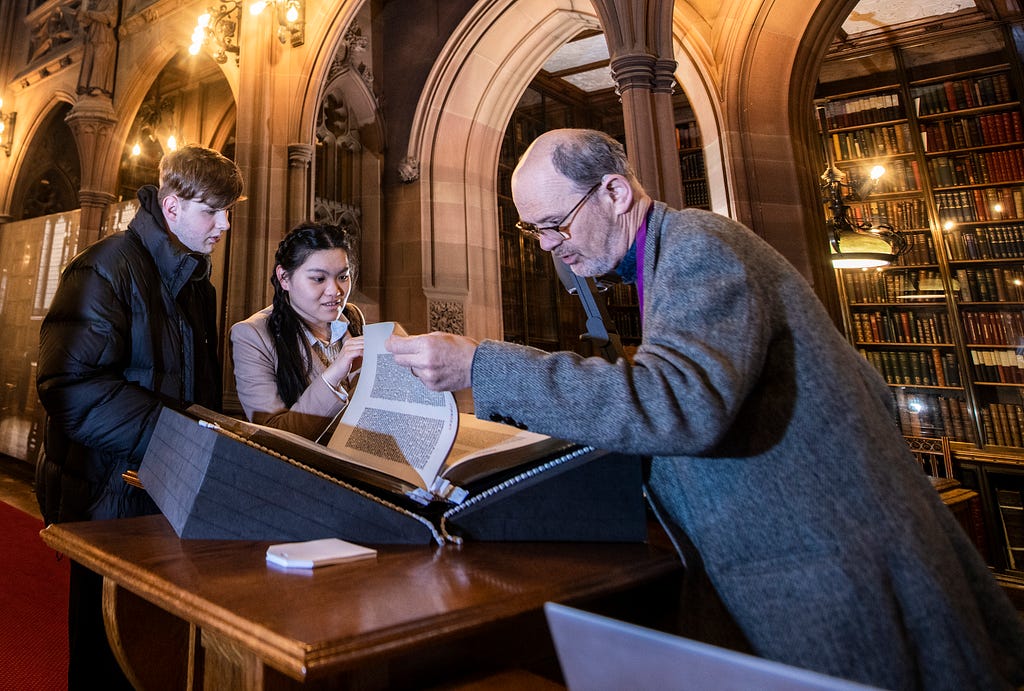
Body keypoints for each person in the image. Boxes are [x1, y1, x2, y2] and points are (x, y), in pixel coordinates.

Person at [386, 128, 1024, 690]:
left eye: (556, 224)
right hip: (805, 561)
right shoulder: (657, 266)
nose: (550, 246)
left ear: (614, 192)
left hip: (831, 571)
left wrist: (482, 365)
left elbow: (678, 403)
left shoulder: (699, 243)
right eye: (535, 231)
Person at [36, 144, 244, 689]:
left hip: (166, 495)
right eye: (212, 211)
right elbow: (70, 389)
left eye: (230, 211)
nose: (225, 224)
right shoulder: (104, 268)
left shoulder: (197, 284)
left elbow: (196, 392)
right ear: (171, 206)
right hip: (107, 497)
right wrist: (182, 440)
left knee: (156, 658)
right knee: (105, 659)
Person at [230, 222, 365, 441]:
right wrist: (334, 374)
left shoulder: (352, 317)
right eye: (319, 279)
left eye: (343, 276)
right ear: (284, 278)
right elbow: (274, 436)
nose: (335, 291)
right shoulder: (251, 336)